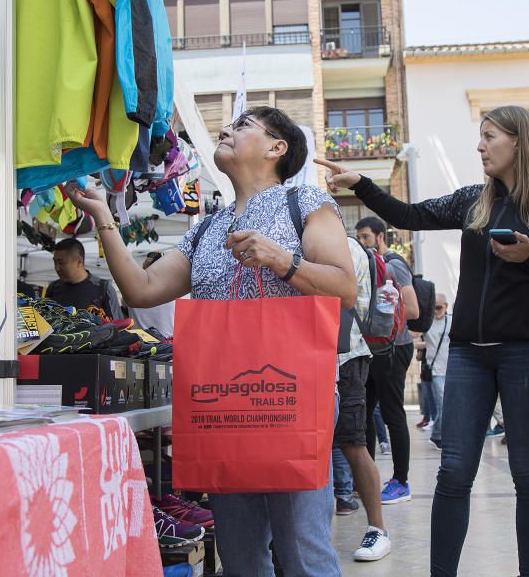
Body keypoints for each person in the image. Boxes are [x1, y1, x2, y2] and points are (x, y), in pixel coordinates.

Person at [66, 106, 355, 577]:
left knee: (302, 548)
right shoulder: (204, 228)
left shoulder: (305, 203)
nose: (225, 129)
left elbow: (345, 289)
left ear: (276, 148)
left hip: (294, 395)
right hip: (223, 400)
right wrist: (103, 218)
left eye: (242, 126)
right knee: (239, 556)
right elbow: (140, 288)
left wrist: (281, 260)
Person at [318, 103, 529, 577]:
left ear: (519, 141)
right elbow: (411, 215)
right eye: (481, 135)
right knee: (453, 473)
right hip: (470, 354)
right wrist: (363, 185)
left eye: (490, 136)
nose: (480, 145)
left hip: (526, 353)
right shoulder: (475, 200)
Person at [353, 216, 419, 504]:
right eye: (359, 237)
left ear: (381, 236)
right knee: (364, 414)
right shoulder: (366, 265)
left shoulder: (393, 265)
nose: (362, 242)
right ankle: (364, 481)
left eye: (366, 237)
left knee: (392, 414)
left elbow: (413, 309)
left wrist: (385, 317)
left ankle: (401, 481)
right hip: (372, 350)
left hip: (395, 347)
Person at [332, 235, 391, 560]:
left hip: (347, 355)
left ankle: (377, 529)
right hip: (314, 355)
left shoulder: (344, 246)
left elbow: (337, 292)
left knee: (353, 443)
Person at [45, 238, 124, 320]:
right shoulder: (53, 288)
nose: (57, 268)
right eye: (55, 262)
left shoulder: (103, 288)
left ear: (79, 261)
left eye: (61, 262)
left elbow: (118, 326)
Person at [415, 294, 450, 451]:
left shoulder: (451, 322)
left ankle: (437, 435)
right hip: (435, 371)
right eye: (433, 307)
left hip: (451, 369)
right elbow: (413, 338)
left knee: (449, 405)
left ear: (446, 306)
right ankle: (438, 436)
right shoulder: (427, 322)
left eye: (439, 307)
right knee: (442, 405)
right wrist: (425, 345)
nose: (436, 311)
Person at [127, 251, 176, 336]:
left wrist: (143, 271)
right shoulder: (174, 290)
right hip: (166, 342)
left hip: (140, 343)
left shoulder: (132, 290)